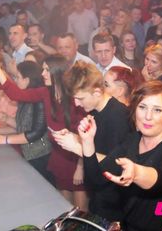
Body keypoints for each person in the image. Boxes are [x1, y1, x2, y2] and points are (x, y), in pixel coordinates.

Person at [80, 81, 162, 231]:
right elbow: (97, 180)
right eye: (142, 107)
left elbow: (161, 178)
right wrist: (87, 142)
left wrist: (136, 173)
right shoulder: (132, 140)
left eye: (157, 110)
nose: (148, 116)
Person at [0, 50, 87, 211]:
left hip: (76, 159)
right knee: (66, 209)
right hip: (59, 156)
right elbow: (16, 94)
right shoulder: (45, 93)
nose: (42, 73)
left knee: (82, 212)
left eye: (46, 70)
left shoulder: (75, 99)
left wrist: (80, 168)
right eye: (43, 69)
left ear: (57, 72)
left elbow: (83, 137)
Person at [54, 61, 131, 221]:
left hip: (114, 202)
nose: (76, 104)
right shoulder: (95, 111)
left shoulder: (118, 116)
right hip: (98, 195)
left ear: (97, 92)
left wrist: (76, 147)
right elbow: (97, 146)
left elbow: (116, 164)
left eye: (80, 98)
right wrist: (74, 137)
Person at [0, 61, 53, 183]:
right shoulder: (26, 97)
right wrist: (7, 119)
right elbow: (23, 126)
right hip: (29, 153)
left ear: (27, 80)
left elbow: (35, 133)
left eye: (17, 77)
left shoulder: (38, 98)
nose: (16, 81)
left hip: (40, 155)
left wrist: (5, 139)